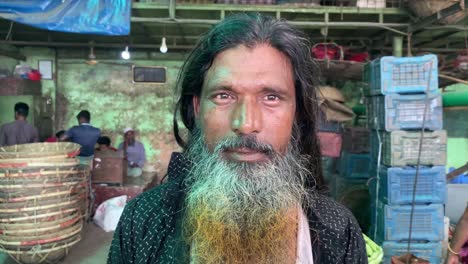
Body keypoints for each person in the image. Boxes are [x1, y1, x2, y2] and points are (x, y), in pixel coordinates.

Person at [108, 14, 367, 264]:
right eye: (224, 95)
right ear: (198, 109)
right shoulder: (143, 221)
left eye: (271, 97)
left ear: (296, 112)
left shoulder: (336, 230)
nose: (245, 124)